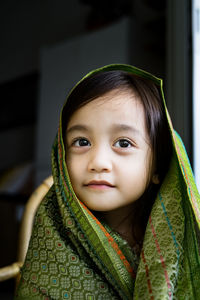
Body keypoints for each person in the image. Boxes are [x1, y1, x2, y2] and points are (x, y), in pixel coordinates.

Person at [15, 64, 200, 299]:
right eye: (81, 142)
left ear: (158, 166)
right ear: (61, 156)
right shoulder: (53, 234)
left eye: (123, 143)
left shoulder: (181, 237)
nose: (98, 162)